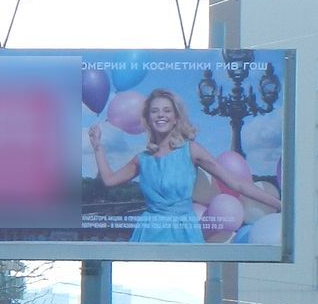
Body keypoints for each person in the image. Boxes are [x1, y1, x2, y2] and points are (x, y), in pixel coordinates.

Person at [88, 88, 276, 243]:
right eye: (155, 111)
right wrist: (97, 146)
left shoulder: (191, 150)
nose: (161, 115)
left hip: (184, 232)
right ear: (148, 119)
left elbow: (238, 184)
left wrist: (281, 204)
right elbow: (109, 180)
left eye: (167, 110)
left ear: (176, 117)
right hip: (149, 233)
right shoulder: (142, 159)